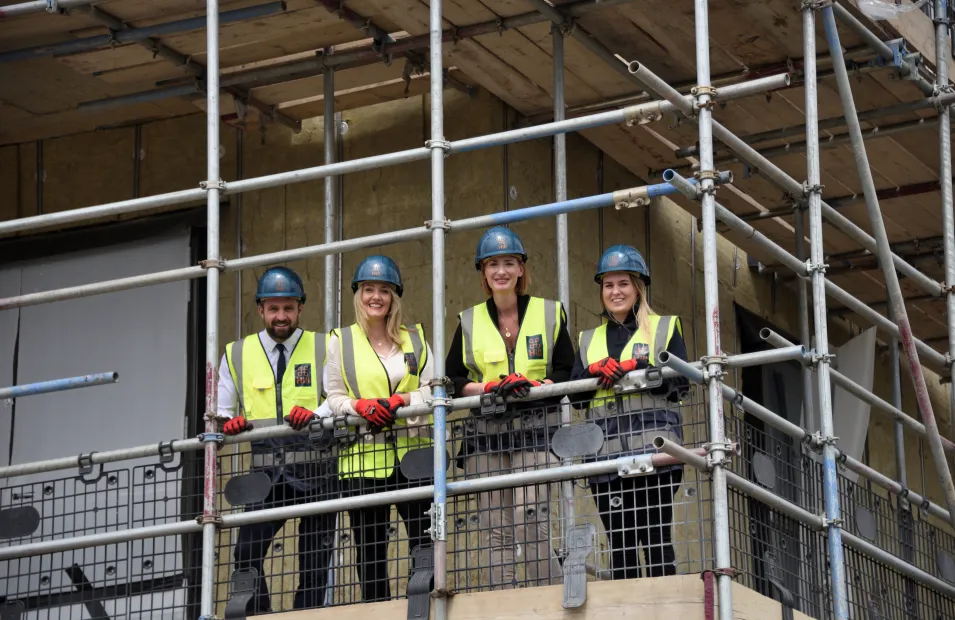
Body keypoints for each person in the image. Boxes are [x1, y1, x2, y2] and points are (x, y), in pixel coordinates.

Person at [445, 226, 575, 589]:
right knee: (495, 530)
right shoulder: (469, 320)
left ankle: (551, 598)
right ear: (483, 273)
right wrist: (488, 388)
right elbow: (454, 379)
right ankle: (503, 602)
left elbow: (566, 369)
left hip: (536, 431)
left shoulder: (549, 313)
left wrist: (537, 387)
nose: (500, 271)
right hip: (486, 435)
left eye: (508, 263)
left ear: (521, 269)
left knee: (529, 519)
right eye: (492, 264)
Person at [217, 266, 336, 615]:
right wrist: (230, 424)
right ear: (260, 309)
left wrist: (315, 414)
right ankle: (261, 614)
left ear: (300, 308)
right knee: (246, 553)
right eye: (273, 308)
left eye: (288, 308)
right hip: (265, 476)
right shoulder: (237, 353)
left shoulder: (324, 346)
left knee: (314, 561)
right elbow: (221, 413)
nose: (281, 316)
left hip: (317, 472)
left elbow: (339, 396)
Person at [570, 244, 688, 579]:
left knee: (656, 540)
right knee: (620, 547)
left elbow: (681, 384)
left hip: (656, 456)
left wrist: (641, 368)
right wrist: (592, 372)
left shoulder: (665, 327)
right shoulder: (588, 339)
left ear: (638, 287)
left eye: (623, 284)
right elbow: (576, 397)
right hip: (607, 461)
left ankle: (664, 604)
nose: (615, 292)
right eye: (608, 285)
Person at [323, 255, 434, 602]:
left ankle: (422, 606)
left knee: (424, 539)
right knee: (370, 548)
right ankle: (377, 610)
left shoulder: (416, 338)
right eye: (368, 289)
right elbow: (334, 396)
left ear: (394, 296)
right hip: (363, 461)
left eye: (384, 290)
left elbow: (434, 390)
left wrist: (403, 400)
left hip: (414, 454)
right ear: (358, 294)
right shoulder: (340, 340)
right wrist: (359, 406)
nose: (376, 297)